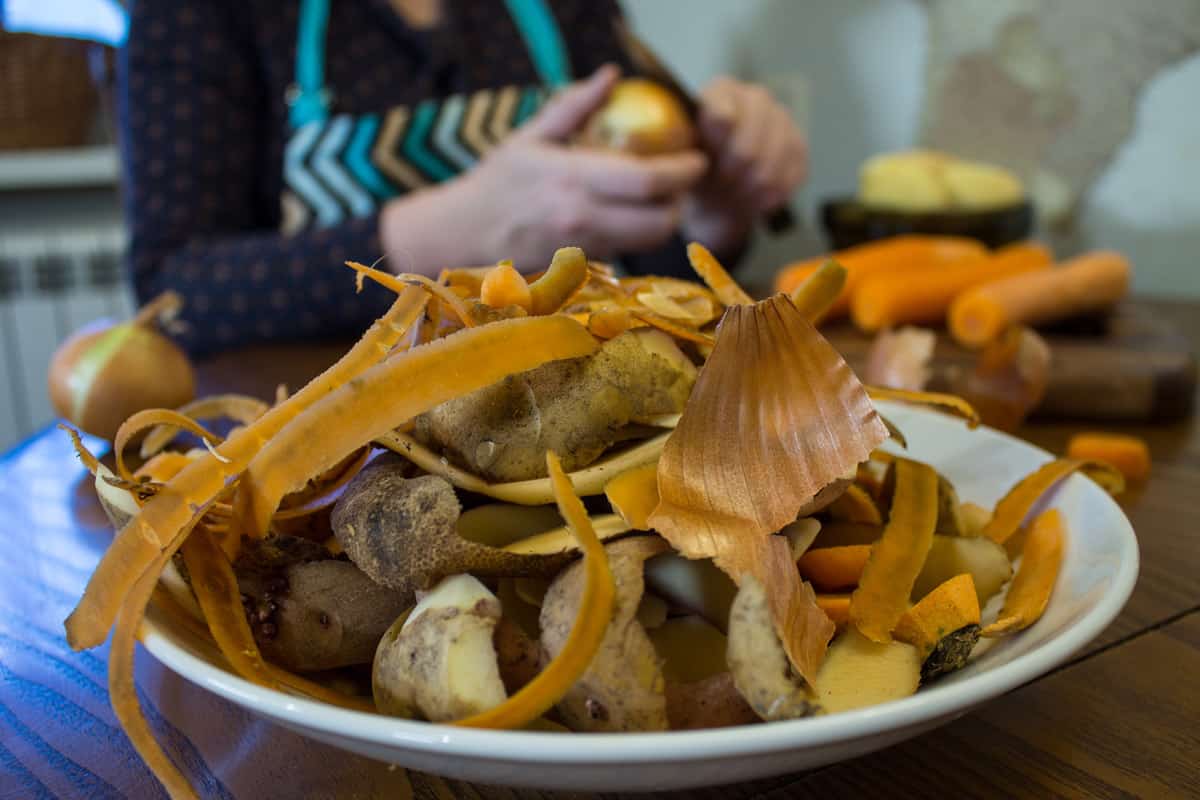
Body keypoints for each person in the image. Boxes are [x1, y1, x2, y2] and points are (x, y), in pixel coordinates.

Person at [120, 0, 808, 354]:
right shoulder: (197, 12)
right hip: (335, 457)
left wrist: (709, 215)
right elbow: (175, 293)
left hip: (559, 420)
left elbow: (641, 262)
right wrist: (457, 229)